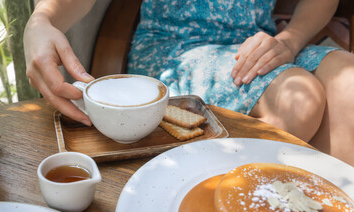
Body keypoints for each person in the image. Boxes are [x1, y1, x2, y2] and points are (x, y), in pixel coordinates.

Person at [24, 0, 354, 165]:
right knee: (302, 98)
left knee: (348, 81)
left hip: (260, 44)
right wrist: (42, 19)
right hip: (175, 49)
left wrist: (290, 40)